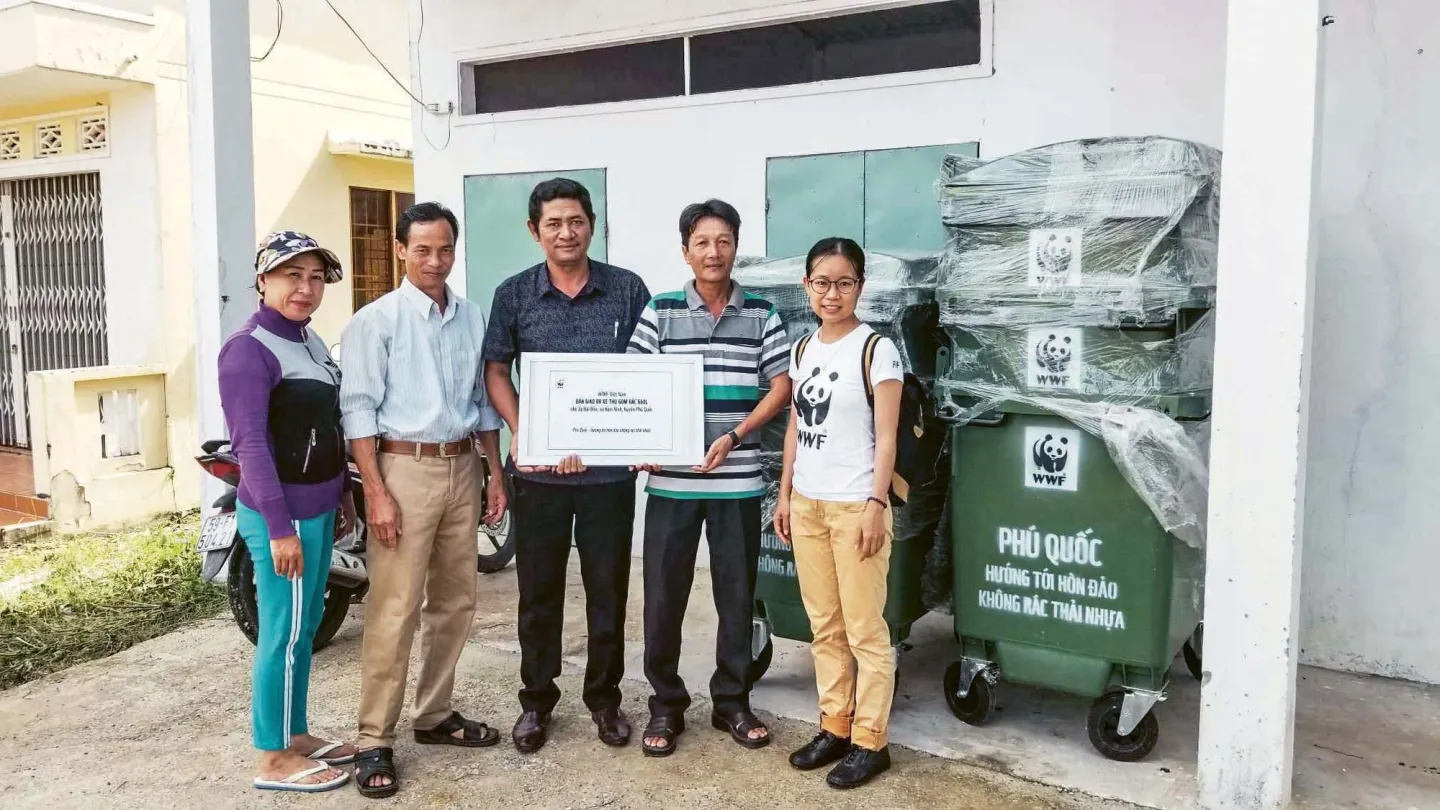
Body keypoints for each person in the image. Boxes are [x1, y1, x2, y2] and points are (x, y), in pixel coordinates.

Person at [339, 202, 508, 799]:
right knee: (395, 606)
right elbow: (357, 410)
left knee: (457, 602)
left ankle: (434, 715)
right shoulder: (375, 321)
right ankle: (373, 737)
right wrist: (376, 493)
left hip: (462, 464)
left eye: (444, 249)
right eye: (423, 249)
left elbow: (483, 403)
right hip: (401, 470)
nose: (435, 261)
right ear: (401, 251)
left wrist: (494, 473)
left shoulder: (471, 316)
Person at [483, 178, 652, 754]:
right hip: (539, 475)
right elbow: (497, 371)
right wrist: (526, 428)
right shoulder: (514, 294)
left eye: (575, 221)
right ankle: (536, 702)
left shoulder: (627, 290)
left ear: (592, 225)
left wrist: (642, 432)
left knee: (608, 588)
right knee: (539, 592)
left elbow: (648, 373)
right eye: (553, 223)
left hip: (608, 475)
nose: (566, 232)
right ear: (535, 231)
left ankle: (605, 700)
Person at [626, 200, 791, 756]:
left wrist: (737, 435)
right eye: (702, 241)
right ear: (685, 250)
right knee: (663, 598)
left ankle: (731, 702)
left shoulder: (764, 313)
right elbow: (637, 384)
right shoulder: (662, 310)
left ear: (735, 246)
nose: (713, 252)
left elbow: (781, 386)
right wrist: (644, 443)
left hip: (738, 481)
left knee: (737, 596)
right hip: (672, 483)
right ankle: (666, 705)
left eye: (723, 241)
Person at [219, 231, 359, 794]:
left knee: (304, 631)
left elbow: (327, 427)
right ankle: (272, 756)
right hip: (284, 515)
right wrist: (279, 528)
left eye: (315, 277)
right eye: (290, 275)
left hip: (320, 507)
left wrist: (344, 494)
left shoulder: (309, 341)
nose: (305, 288)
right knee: (281, 631)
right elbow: (249, 443)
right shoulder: (248, 349)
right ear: (262, 281)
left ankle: (295, 734)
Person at [774, 237, 903, 790]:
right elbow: (797, 428)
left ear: (860, 286)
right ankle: (835, 725)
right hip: (808, 504)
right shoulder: (803, 350)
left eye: (844, 282)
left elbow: (889, 434)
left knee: (865, 630)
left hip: (856, 507)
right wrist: (784, 494)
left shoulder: (877, 349)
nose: (833, 293)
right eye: (822, 282)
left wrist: (877, 503)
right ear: (807, 286)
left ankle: (871, 740)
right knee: (824, 626)